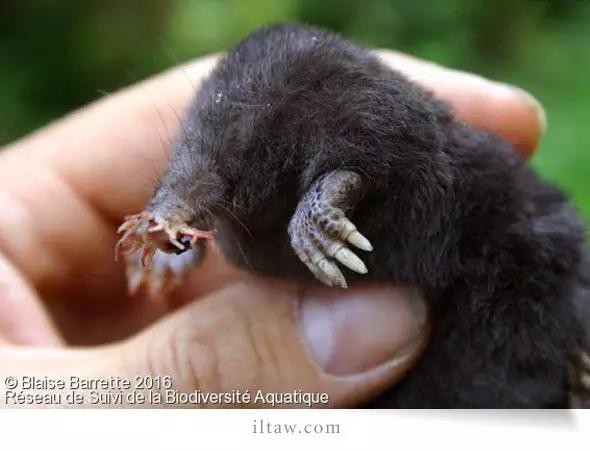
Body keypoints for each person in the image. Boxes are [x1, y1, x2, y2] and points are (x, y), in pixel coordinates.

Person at [0, 50, 545, 407]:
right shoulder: (226, 179)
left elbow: (373, 144)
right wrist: (174, 236)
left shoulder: (335, 122)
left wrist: (322, 205)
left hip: (483, 279)